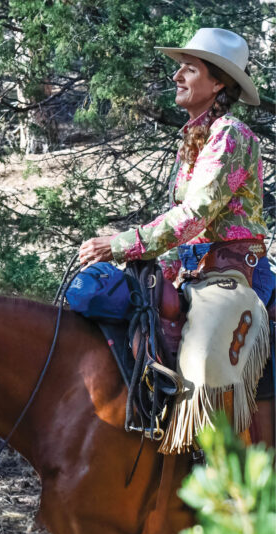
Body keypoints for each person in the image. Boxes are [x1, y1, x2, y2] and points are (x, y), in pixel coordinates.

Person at [78, 28, 272, 453]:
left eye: (190, 68)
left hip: (233, 274)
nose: (177, 76)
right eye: (179, 67)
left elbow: (193, 215)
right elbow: (181, 228)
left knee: (204, 357)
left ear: (219, 82)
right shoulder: (193, 141)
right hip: (195, 270)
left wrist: (119, 244)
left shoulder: (230, 135)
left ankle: (227, 471)